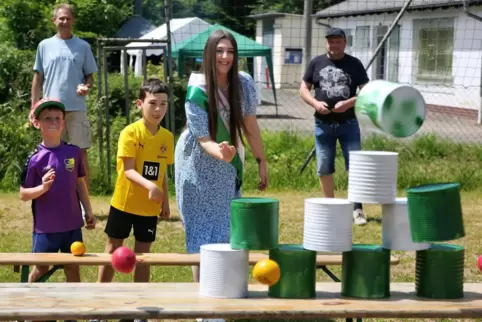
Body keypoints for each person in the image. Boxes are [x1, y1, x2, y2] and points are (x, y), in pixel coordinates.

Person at [174, 29, 268, 284]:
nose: (225, 57)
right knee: (201, 230)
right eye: (219, 51)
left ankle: (223, 290)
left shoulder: (244, 83)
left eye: (230, 51)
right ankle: (204, 298)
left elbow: (250, 125)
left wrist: (261, 160)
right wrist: (222, 153)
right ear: (209, 53)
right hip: (197, 162)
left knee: (227, 227)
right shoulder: (197, 88)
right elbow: (204, 139)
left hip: (228, 158)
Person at [97, 78, 173, 288]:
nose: (158, 109)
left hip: (149, 209)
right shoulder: (130, 132)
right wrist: (150, 186)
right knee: (113, 249)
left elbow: (162, 173)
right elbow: (128, 170)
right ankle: (99, 303)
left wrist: (165, 201)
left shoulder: (167, 137)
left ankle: (140, 310)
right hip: (124, 203)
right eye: (152, 103)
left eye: (163, 104)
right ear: (140, 104)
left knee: (143, 255)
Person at [19, 98, 96, 284]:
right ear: (37, 123)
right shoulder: (34, 159)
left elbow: (80, 184)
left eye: (57, 118)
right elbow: (23, 194)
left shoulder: (74, 152)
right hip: (46, 229)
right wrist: (42, 188)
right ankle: (28, 305)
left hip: (72, 226)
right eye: (47, 118)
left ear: (63, 123)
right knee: (41, 268)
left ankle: (73, 311)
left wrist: (88, 211)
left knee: (72, 267)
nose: (53, 122)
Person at [299, 27, 370, 225]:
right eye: (330, 41)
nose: (334, 44)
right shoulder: (316, 62)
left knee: (355, 168)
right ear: (326, 43)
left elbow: (367, 91)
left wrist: (348, 103)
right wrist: (315, 103)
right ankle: (330, 207)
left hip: (349, 123)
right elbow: (304, 88)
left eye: (338, 41)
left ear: (345, 43)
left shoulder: (355, 64)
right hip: (323, 124)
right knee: (324, 166)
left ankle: (357, 209)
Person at [31, 3, 98, 190]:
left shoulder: (83, 46)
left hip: (76, 108)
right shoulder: (44, 46)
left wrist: (87, 86)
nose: (65, 21)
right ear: (54, 21)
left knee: (80, 154)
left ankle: (84, 203)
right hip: (51, 110)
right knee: (51, 153)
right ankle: (53, 193)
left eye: (68, 18)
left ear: (73, 20)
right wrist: (34, 106)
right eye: (61, 18)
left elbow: (90, 76)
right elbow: (38, 77)